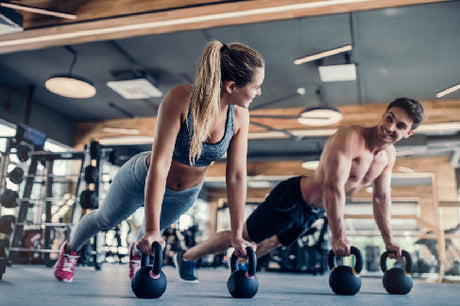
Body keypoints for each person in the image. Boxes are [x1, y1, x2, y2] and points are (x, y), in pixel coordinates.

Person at [54, 40, 265, 282]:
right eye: (256, 86)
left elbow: (236, 175)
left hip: (184, 194)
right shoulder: (181, 98)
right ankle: (70, 249)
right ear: (231, 86)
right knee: (105, 219)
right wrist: (152, 230)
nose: (259, 92)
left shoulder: (239, 116)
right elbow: (160, 164)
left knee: (149, 235)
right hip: (142, 176)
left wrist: (237, 234)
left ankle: (137, 251)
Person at [175, 97, 424, 281]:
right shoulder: (350, 137)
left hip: (314, 211)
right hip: (294, 197)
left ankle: (241, 264)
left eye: (400, 126)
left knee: (275, 242)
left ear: (409, 133)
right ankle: (188, 256)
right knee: (243, 237)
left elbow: (381, 198)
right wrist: (338, 236)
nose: (390, 127)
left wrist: (389, 241)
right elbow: (333, 186)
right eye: (389, 117)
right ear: (384, 114)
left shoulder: (387, 157)